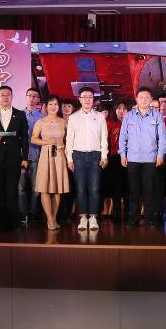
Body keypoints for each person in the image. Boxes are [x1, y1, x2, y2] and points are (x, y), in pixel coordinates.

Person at [0, 86, 30, 232]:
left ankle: (13, 222)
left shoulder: (20, 114)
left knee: (12, 190)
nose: (5, 97)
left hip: (14, 158)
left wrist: (25, 157)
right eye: (2, 95)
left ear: (12, 97)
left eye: (8, 94)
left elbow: (25, 137)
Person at [119, 88, 166, 226]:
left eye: (147, 97)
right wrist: (123, 155)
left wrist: (160, 154)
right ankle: (133, 218)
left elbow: (162, 138)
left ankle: (149, 218)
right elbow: (123, 137)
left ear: (151, 99)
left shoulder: (157, 116)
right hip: (132, 158)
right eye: (141, 97)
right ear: (136, 99)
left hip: (150, 159)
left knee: (149, 190)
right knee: (134, 191)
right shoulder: (129, 116)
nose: (144, 100)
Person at [66, 88, 108, 231]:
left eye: (90, 97)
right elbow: (69, 139)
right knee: (81, 188)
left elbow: (104, 138)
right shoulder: (73, 117)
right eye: (84, 97)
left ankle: (94, 217)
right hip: (78, 156)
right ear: (79, 99)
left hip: (95, 155)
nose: (87, 100)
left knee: (95, 188)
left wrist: (104, 156)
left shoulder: (100, 116)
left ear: (93, 99)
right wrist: (69, 159)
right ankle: (83, 217)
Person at [32, 96, 69, 231]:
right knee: (45, 188)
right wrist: (47, 142)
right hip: (45, 156)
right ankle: (50, 219)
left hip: (59, 156)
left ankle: (53, 218)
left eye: (56, 104)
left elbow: (69, 140)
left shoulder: (63, 122)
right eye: (51, 104)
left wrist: (65, 147)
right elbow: (33, 139)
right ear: (46, 106)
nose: (53, 107)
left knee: (57, 189)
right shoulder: (40, 122)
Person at [18, 88, 45, 225]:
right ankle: (23, 214)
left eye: (35, 96)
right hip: (20, 155)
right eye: (30, 95)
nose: (32, 98)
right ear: (26, 97)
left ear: (38, 100)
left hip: (37, 155)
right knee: (20, 187)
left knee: (36, 187)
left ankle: (34, 213)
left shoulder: (43, 117)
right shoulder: (17, 115)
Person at [100, 102, 126, 220]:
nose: (122, 111)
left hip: (130, 158)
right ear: (114, 111)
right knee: (116, 186)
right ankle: (115, 213)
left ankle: (126, 212)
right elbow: (105, 141)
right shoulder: (110, 123)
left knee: (126, 186)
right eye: (119, 108)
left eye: (124, 109)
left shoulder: (131, 123)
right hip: (114, 157)